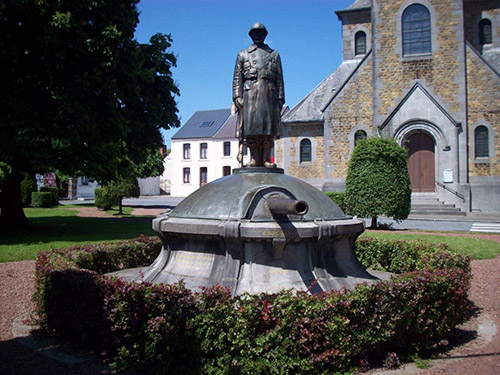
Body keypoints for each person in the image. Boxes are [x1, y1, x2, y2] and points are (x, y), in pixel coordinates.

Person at [233, 22, 285, 167]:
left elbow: (280, 79)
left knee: (268, 129)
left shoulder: (274, 55)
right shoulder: (242, 55)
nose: (257, 35)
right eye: (254, 33)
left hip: (269, 95)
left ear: (265, 35)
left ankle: (266, 159)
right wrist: (237, 97)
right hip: (249, 95)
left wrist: (280, 99)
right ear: (250, 36)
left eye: (260, 33)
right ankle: (254, 158)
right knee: (251, 129)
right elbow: (237, 78)